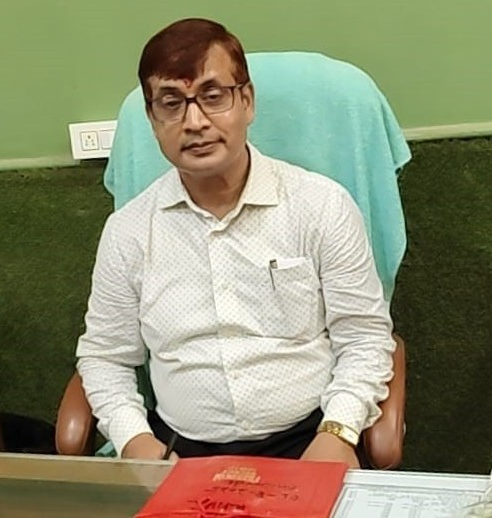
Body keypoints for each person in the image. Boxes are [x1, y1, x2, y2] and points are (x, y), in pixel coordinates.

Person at [76, 18, 395, 468]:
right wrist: (135, 440)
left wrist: (339, 432)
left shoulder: (321, 206)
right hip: (179, 454)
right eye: (171, 103)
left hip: (310, 440)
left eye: (213, 96)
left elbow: (364, 338)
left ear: (247, 101)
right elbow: (105, 357)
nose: (195, 122)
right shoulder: (128, 232)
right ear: (152, 119)